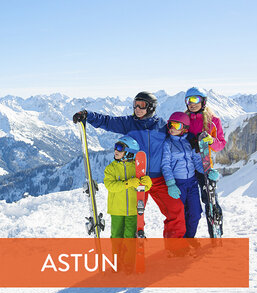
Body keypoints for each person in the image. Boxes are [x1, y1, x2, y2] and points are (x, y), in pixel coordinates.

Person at [73, 91, 186, 238]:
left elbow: (179, 137)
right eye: (135, 105)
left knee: (176, 210)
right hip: (136, 178)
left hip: (159, 178)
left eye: (142, 105)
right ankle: (133, 248)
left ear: (151, 107)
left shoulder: (162, 126)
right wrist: (88, 115)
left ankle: (175, 247)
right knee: (135, 216)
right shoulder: (129, 123)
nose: (137, 109)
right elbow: (108, 121)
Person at [161, 112, 219, 238]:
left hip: (192, 183)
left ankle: (188, 240)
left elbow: (198, 162)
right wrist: (171, 184)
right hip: (177, 184)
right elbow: (165, 165)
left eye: (176, 125)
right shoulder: (167, 144)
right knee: (177, 216)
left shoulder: (189, 142)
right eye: (170, 124)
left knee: (195, 214)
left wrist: (208, 172)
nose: (171, 128)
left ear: (184, 128)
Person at [184, 87, 226, 237]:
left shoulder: (213, 121)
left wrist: (211, 141)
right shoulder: (184, 119)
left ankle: (216, 233)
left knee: (210, 200)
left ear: (203, 101)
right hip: (187, 166)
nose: (192, 103)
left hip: (204, 167)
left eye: (195, 99)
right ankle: (186, 237)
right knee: (187, 203)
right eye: (189, 100)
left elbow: (220, 144)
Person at [104, 136, 152, 238]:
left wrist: (147, 183)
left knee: (130, 235)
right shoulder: (111, 168)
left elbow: (143, 188)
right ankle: (117, 254)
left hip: (133, 210)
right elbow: (110, 186)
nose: (116, 150)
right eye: (115, 147)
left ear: (130, 152)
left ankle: (129, 254)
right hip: (116, 210)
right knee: (116, 235)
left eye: (120, 148)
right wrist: (128, 183)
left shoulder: (137, 167)